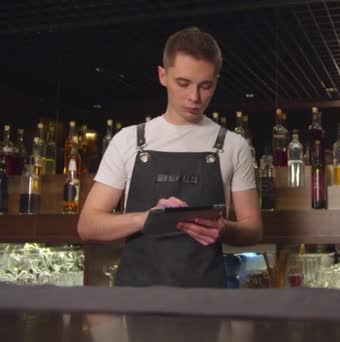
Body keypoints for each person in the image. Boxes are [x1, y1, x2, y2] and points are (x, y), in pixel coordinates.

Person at [78, 27, 262, 288]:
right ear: (162, 75)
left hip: (207, 299)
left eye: (205, 86)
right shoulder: (129, 140)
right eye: (183, 83)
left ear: (216, 82)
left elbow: (253, 229)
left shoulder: (233, 145)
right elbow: (88, 226)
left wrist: (225, 229)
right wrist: (147, 219)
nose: (194, 97)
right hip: (135, 298)